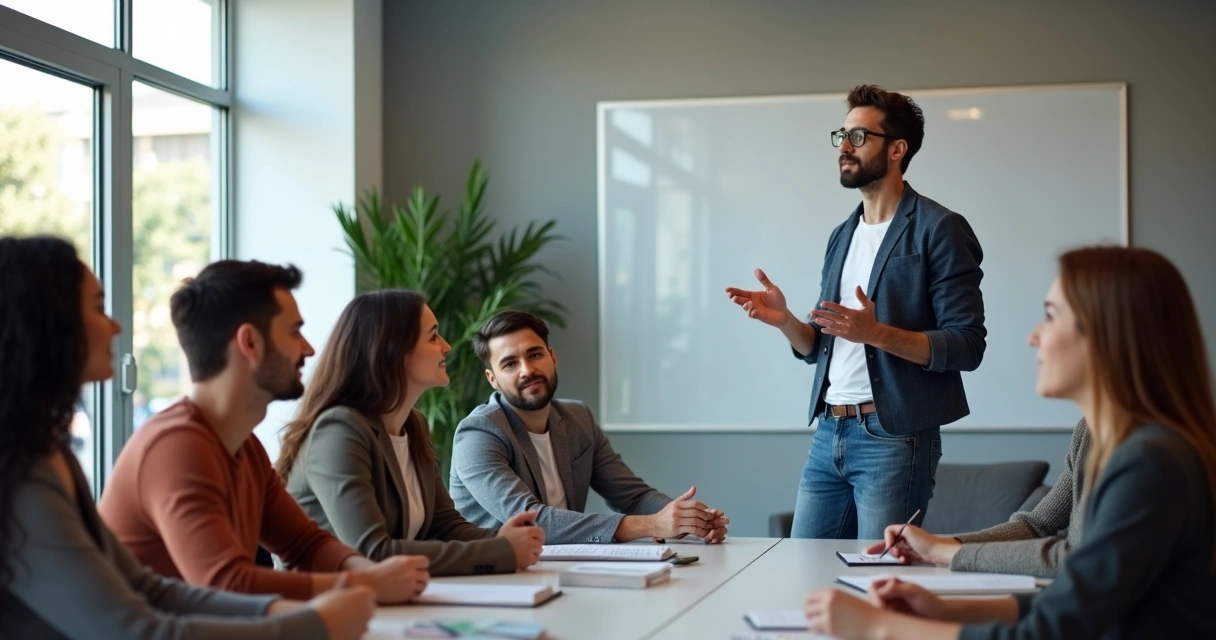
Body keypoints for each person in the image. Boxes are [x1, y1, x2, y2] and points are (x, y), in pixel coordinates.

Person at [804, 246, 1216, 638]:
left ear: (1109, 334)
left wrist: (880, 628)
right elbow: (1061, 595)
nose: (1033, 337)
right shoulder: (1100, 436)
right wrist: (942, 608)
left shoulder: (1149, 463)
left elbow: (1054, 626)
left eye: (1050, 317)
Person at [0, 236, 374, 640]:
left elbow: (148, 590)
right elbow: (137, 631)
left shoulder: (49, 451)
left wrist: (304, 605)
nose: (116, 325)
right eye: (97, 307)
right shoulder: (27, 470)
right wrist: (315, 621)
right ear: (45, 324)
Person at [726, 84, 986, 540]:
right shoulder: (841, 235)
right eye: (841, 136)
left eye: (859, 137)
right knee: (804, 571)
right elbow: (821, 347)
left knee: (873, 582)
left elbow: (967, 345)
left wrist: (878, 333)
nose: (844, 147)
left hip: (894, 439)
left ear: (897, 150)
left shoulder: (939, 229)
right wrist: (785, 321)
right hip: (829, 431)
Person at [98, 260, 429, 603]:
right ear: (250, 343)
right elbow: (226, 585)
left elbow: (304, 544)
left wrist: (371, 573)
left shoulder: (244, 444)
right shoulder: (175, 447)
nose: (309, 349)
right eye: (294, 332)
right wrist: (366, 585)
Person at [277, 290, 544, 576]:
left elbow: (446, 526)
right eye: (432, 337)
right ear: (392, 351)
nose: (446, 347)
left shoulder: (412, 425)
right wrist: (501, 551)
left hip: (386, 599)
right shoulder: (339, 430)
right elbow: (372, 551)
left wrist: (503, 538)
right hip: (326, 605)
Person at [449, 310, 729, 545]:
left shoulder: (577, 418)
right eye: (510, 364)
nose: (527, 370)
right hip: (496, 579)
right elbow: (532, 521)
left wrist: (686, 519)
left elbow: (633, 497)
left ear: (552, 358)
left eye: (535, 355)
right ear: (493, 379)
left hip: (563, 566)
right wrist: (652, 525)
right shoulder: (478, 434)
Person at [863, 418, 1089, 578]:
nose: (1033, 346)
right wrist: (943, 544)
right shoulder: (1086, 432)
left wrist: (942, 552)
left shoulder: (1123, 446)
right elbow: (1036, 526)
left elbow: (1082, 561)